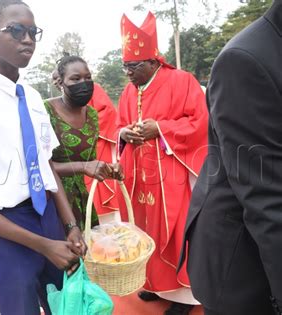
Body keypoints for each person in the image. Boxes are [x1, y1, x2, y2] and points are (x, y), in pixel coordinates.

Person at [0, 1, 86, 314]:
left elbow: (47, 167)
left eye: (33, 31)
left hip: (47, 217)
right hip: (6, 229)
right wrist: (41, 245)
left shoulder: (33, 97)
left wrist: (70, 225)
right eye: (16, 30)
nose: (28, 39)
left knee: (65, 306)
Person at [181, 2, 282, 314]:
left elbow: (191, 121)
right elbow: (267, 199)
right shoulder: (246, 60)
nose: (132, 72)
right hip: (244, 260)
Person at [116, 12, 208, 315]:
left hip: (174, 176)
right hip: (142, 177)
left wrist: (162, 130)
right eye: (125, 66)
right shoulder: (130, 91)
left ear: (153, 61)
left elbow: (200, 123)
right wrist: (125, 134)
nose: (128, 73)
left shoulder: (182, 81)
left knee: (179, 233)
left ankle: (185, 297)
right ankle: (156, 285)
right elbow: (119, 126)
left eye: (133, 66)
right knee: (146, 233)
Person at [44, 55, 122, 230]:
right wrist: (82, 167)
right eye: (75, 78)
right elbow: (37, 166)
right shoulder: (45, 111)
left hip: (82, 202)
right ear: (61, 83)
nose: (84, 83)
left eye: (88, 78)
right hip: (53, 202)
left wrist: (110, 169)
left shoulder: (92, 115)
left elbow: (88, 162)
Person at [87, 82, 121, 223]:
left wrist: (83, 129)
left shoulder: (92, 88)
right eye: (54, 80)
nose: (57, 82)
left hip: (97, 146)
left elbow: (107, 112)